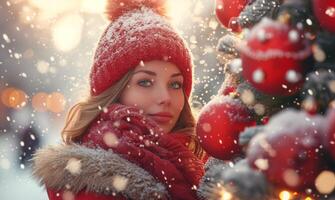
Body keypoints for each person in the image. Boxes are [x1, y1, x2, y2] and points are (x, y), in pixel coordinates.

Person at [32, 0, 205, 199]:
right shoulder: (94, 187)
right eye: (145, 82)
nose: (165, 97)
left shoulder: (203, 163)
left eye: (175, 85)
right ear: (115, 90)